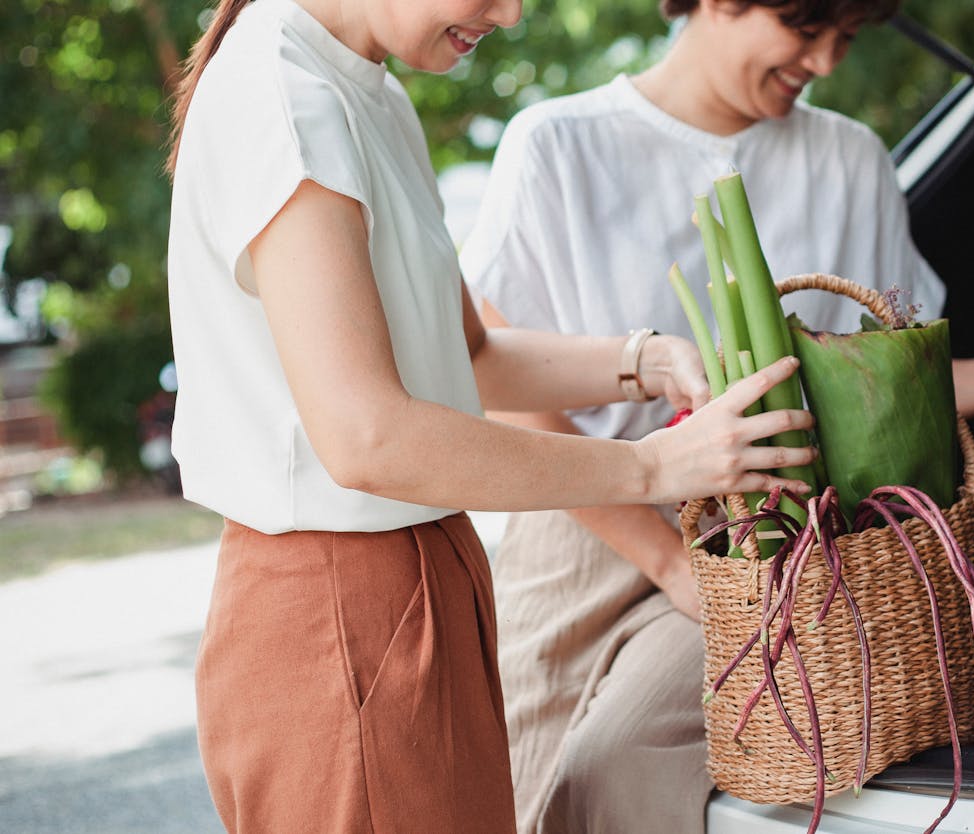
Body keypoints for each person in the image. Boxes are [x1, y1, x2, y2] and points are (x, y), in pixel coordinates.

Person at [459, 1, 974, 832]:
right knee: (522, 797)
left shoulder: (847, 159)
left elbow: (882, 389)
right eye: (805, 29)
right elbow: (507, 389)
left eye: (847, 39)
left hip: (770, 549)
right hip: (580, 529)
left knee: (610, 776)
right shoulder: (558, 145)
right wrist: (668, 562)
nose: (824, 63)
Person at [162, 0, 821, 831]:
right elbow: (368, 437)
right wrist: (657, 467)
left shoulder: (369, 92)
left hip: (425, 580)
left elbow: (467, 355)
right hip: (338, 607)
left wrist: (645, 361)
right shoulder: (283, 98)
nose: (509, 14)